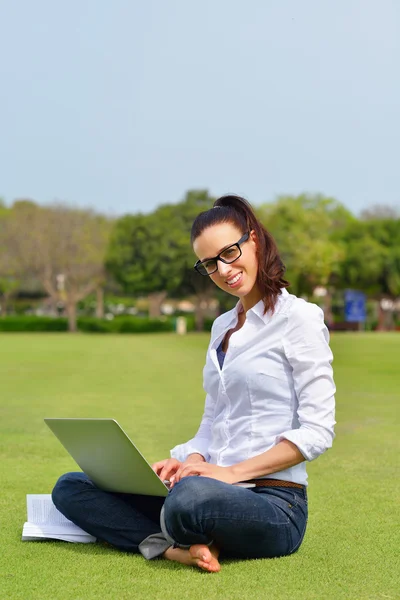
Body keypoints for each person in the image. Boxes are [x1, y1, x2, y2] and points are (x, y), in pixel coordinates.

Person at [52, 194, 336, 573]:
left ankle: (182, 525)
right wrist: (191, 460)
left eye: (229, 252)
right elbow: (212, 422)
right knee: (71, 487)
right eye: (209, 263)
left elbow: (318, 431)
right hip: (209, 485)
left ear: (253, 240)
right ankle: (175, 548)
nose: (223, 269)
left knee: (189, 500)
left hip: (273, 504)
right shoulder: (221, 328)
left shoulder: (299, 318)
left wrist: (228, 473)